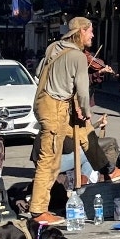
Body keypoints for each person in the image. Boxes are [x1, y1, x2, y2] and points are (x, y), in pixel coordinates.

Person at [29, 16, 94, 226]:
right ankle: (39, 210)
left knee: (84, 132)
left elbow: (39, 73)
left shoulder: (53, 47)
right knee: (49, 161)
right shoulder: (78, 56)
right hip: (56, 106)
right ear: (82, 31)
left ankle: (107, 167)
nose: (92, 35)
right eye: (90, 31)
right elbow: (83, 91)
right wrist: (85, 109)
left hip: (44, 103)